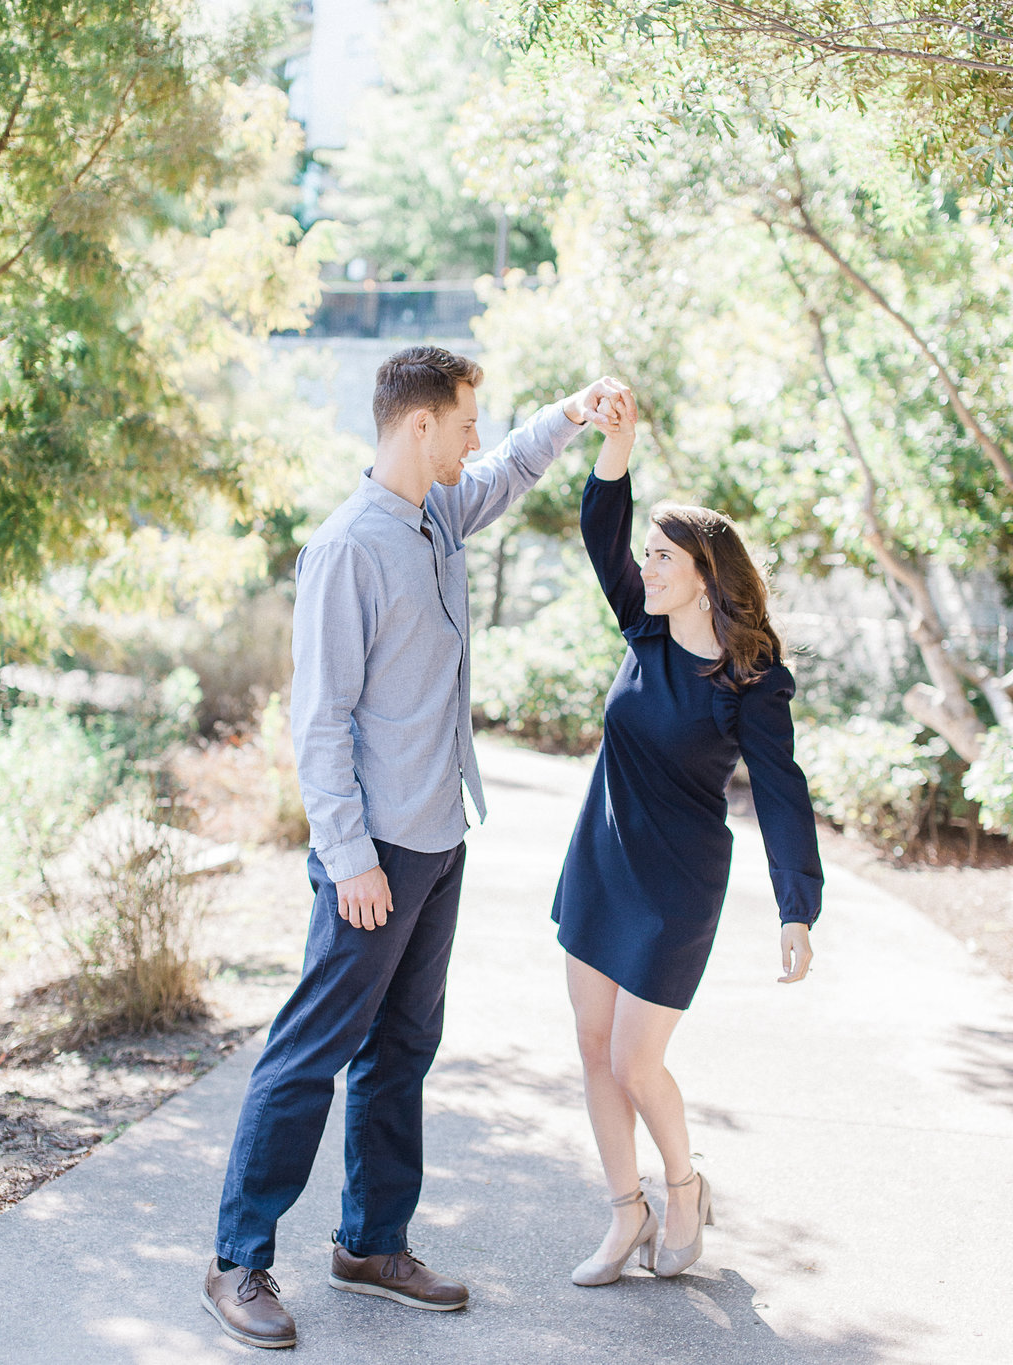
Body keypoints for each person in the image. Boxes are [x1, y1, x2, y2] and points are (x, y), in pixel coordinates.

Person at [202, 345, 635, 1349]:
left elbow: (511, 471)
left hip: (438, 838)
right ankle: (237, 1262)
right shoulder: (349, 547)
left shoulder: (437, 515)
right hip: (375, 857)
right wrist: (347, 853)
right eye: (468, 422)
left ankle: (372, 1243)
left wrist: (569, 412)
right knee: (310, 1054)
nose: (477, 440)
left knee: (403, 1052)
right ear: (419, 424)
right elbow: (319, 721)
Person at [551, 394, 822, 1287]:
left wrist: (797, 907)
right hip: (603, 855)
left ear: (704, 573)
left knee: (636, 1057)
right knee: (594, 1048)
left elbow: (781, 793)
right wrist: (616, 449)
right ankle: (624, 1215)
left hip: (678, 881)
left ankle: (683, 1187)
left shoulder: (752, 679)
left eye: (661, 557)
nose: (645, 567)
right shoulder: (644, 628)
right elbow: (602, 532)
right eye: (649, 556)